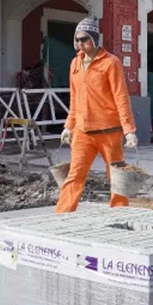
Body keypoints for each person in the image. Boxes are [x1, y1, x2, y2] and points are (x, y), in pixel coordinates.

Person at [55, 16, 138, 213]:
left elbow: (121, 97)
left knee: (116, 177)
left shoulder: (111, 63)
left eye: (84, 39)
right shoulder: (75, 64)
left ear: (94, 39)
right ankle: (62, 215)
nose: (80, 43)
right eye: (77, 39)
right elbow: (74, 98)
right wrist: (68, 126)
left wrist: (129, 131)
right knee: (74, 175)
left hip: (109, 131)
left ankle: (120, 213)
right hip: (82, 131)